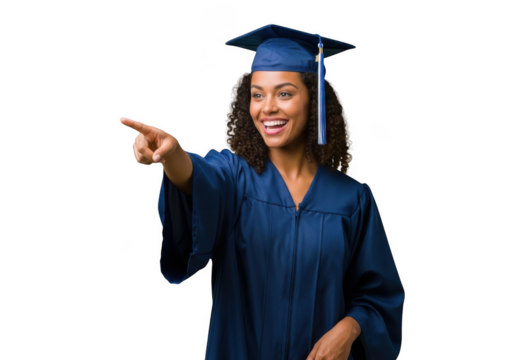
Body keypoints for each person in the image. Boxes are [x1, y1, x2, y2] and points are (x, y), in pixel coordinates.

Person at [120, 24, 405, 360]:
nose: (267, 107)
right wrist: (172, 155)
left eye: (284, 93)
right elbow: (203, 180)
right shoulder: (236, 177)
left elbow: (378, 295)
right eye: (257, 94)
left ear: (313, 100)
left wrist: (350, 327)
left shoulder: (352, 200)